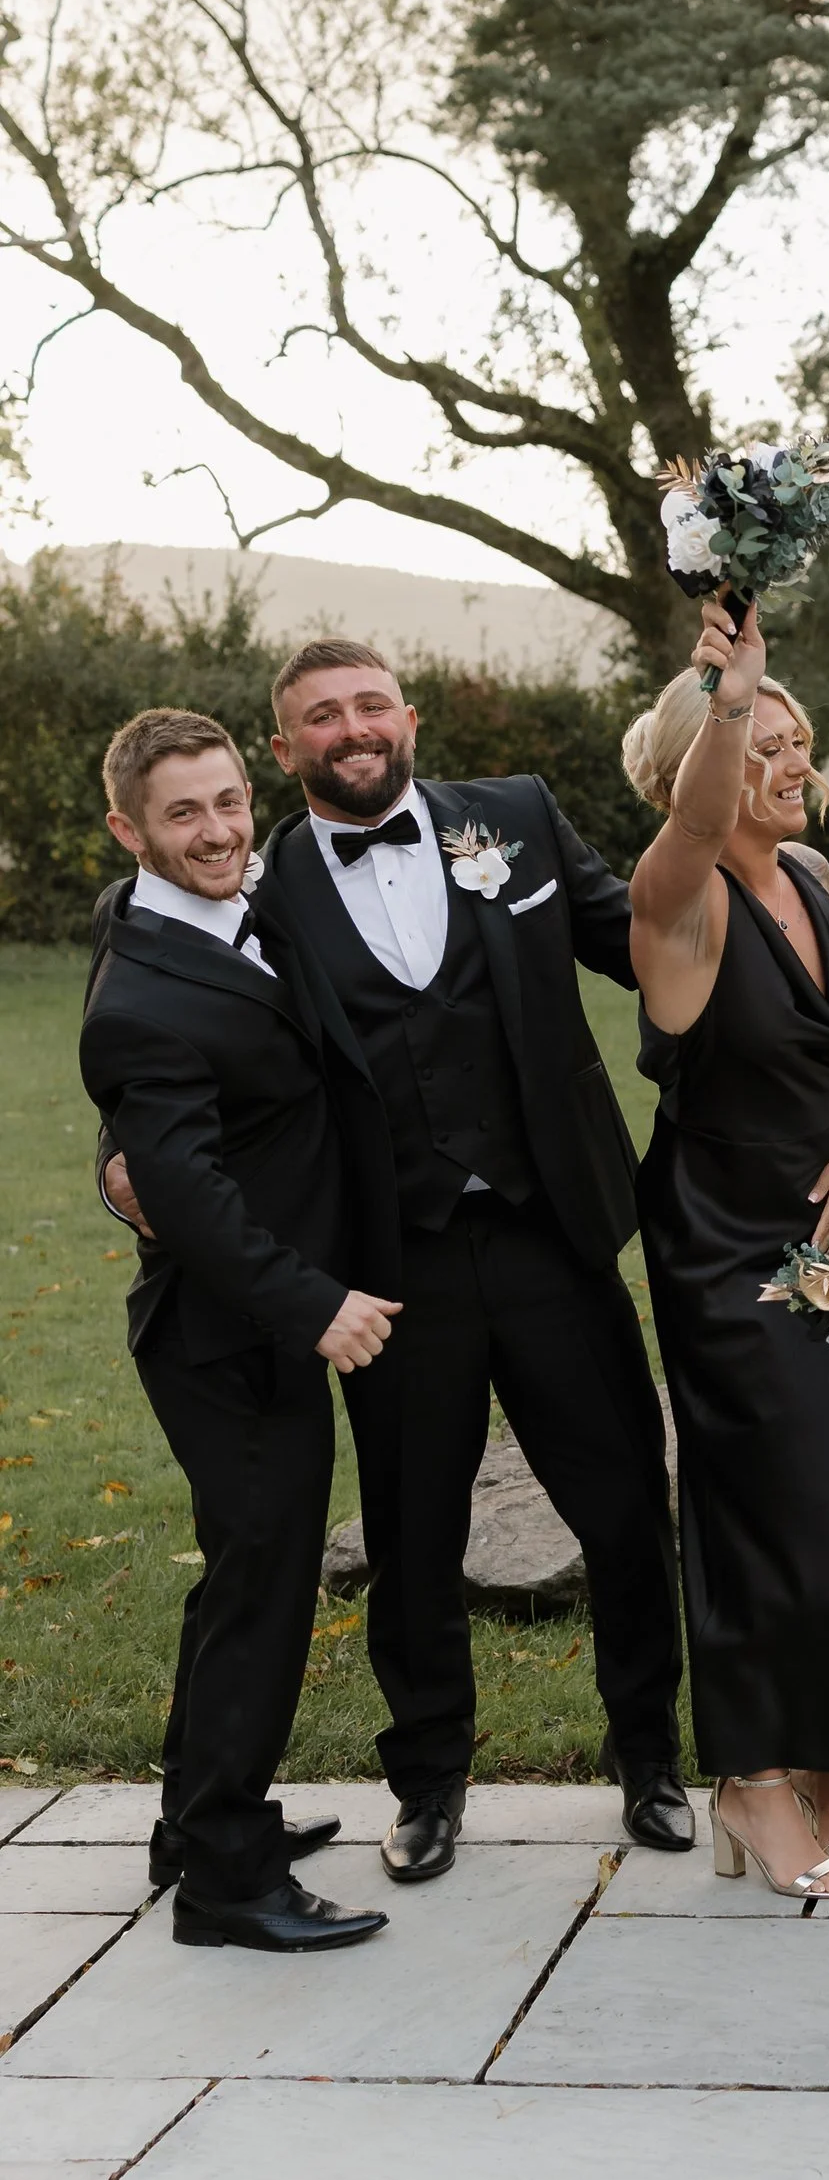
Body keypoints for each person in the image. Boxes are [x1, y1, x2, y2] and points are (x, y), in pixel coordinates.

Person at [232, 640, 684, 1881]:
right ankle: (428, 1782)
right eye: (321, 716)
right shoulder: (260, 887)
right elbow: (179, 1034)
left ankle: (649, 1756)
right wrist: (126, 1162)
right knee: (413, 1537)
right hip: (388, 1269)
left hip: (553, 1232)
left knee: (627, 1511)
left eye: (370, 703)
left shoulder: (519, 818)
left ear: (409, 717)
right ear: (287, 751)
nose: (352, 727)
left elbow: (646, 943)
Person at [624, 599, 829, 1902]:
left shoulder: (810, 880)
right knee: (766, 1502)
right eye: (766, 742)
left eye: (799, 738)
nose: (793, 759)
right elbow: (696, 825)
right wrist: (731, 694)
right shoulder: (676, 905)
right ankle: (752, 1778)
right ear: (701, 762)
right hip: (728, 1248)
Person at [81, 709, 392, 1954]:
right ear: (129, 829)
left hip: (259, 1318)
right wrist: (314, 1305)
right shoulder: (138, 1004)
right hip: (229, 1337)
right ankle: (224, 1880)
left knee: (237, 1585)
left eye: (225, 802)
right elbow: (191, 1200)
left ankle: (191, 1818)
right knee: (264, 1596)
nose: (218, 832)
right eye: (182, 815)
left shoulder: (208, 905)